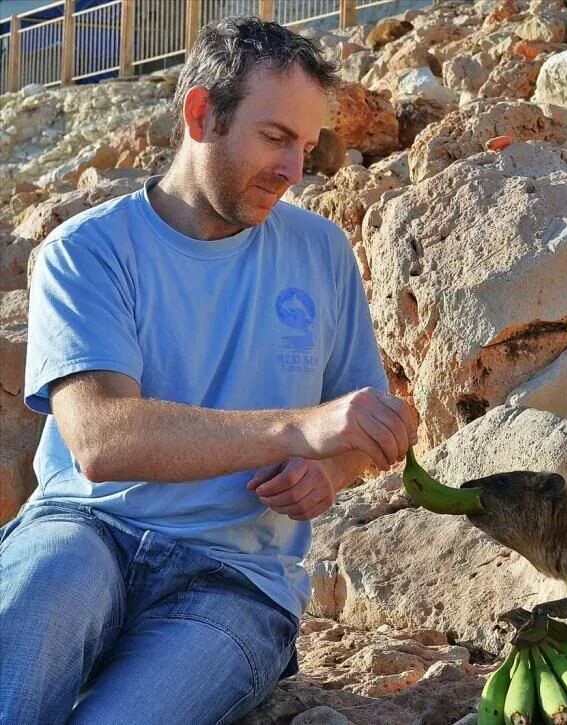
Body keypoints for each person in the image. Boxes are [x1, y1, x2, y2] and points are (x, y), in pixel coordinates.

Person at [0, 17, 417, 724]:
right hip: (85, 530)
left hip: (238, 580)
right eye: (276, 138)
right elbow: (102, 441)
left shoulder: (322, 253)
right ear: (201, 113)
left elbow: (360, 425)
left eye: (307, 147)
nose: (294, 171)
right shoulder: (87, 251)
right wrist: (300, 427)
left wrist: (331, 468)